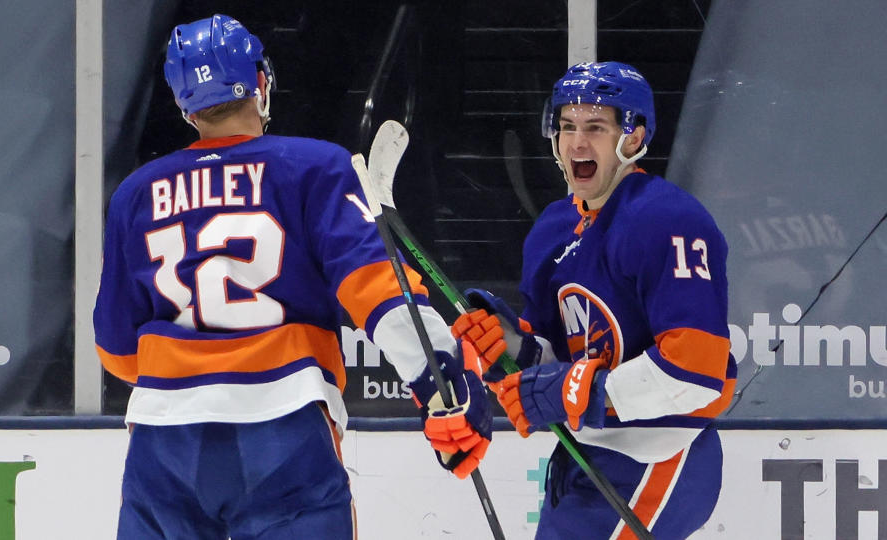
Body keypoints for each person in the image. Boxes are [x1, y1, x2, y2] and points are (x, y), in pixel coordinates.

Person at [93, 14, 491, 540]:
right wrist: (443, 380)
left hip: (164, 441)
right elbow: (377, 287)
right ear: (260, 83)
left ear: (182, 102)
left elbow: (117, 352)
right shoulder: (315, 167)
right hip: (284, 428)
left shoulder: (136, 193)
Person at [452, 61, 737, 539]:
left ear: (632, 137)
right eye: (566, 127)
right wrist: (509, 344)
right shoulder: (552, 229)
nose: (576, 143)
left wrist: (576, 391)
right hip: (583, 454)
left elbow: (698, 372)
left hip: (659, 455)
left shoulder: (668, 218)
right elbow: (560, 359)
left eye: (595, 127)